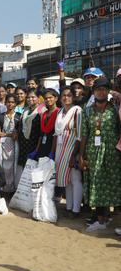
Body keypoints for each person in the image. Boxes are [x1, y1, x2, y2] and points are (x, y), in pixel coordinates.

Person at [80, 78, 121, 232]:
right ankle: (100, 218)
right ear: (93, 92)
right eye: (98, 89)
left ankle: (108, 217)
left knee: (111, 184)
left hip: (112, 153)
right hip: (93, 151)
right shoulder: (87, 111)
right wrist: (81, 155)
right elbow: (84, 134)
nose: (101, 92)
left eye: (104, 89)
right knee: (96, 183)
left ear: (108, 91)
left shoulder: (115, 109)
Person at [54, 87, 83, 218]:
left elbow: (80, 135)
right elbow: (57, 133)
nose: (66, 97)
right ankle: (69, 207)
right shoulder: (60, 112)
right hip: (61, 150)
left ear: (74, 97)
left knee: (75, 180)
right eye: (64, 95)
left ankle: (76, 210)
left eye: (69, 95)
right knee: (67, 181)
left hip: (73, 150)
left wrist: (74, 155)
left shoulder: (77, 111)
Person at [0, 94, 21, 194]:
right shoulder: (1, 116)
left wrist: (6, 134)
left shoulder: (19, 116)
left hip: (14, 144)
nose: (10, 104)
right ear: (5, 103)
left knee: (13, 165)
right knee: (3, 164)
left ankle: (12, 188)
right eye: (8, 102)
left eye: (12, 102)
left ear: (15, 104)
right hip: (2, 144)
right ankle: (4, 187)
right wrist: (9, 134)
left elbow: (16, 135)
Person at [16, 89, 42, 181]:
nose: (30, 99)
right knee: (24, 169)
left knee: (34, 172)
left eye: (33, 97)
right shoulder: (26, 110)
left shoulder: (42, 111)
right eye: (28, 97)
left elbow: (41, 133)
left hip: (35, 145)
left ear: (38, 98)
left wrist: (37, 149)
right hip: (24, 144)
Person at [33, 89, 60, 159]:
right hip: (42, 146)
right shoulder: (44, 114)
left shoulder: (59, 112)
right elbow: (41, 134)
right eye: (46, 98)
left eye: (50, 97)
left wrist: (52, 151)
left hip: (53, 147)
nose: (48, 100)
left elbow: (56, 134)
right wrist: (36, 150)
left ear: (56, 98)